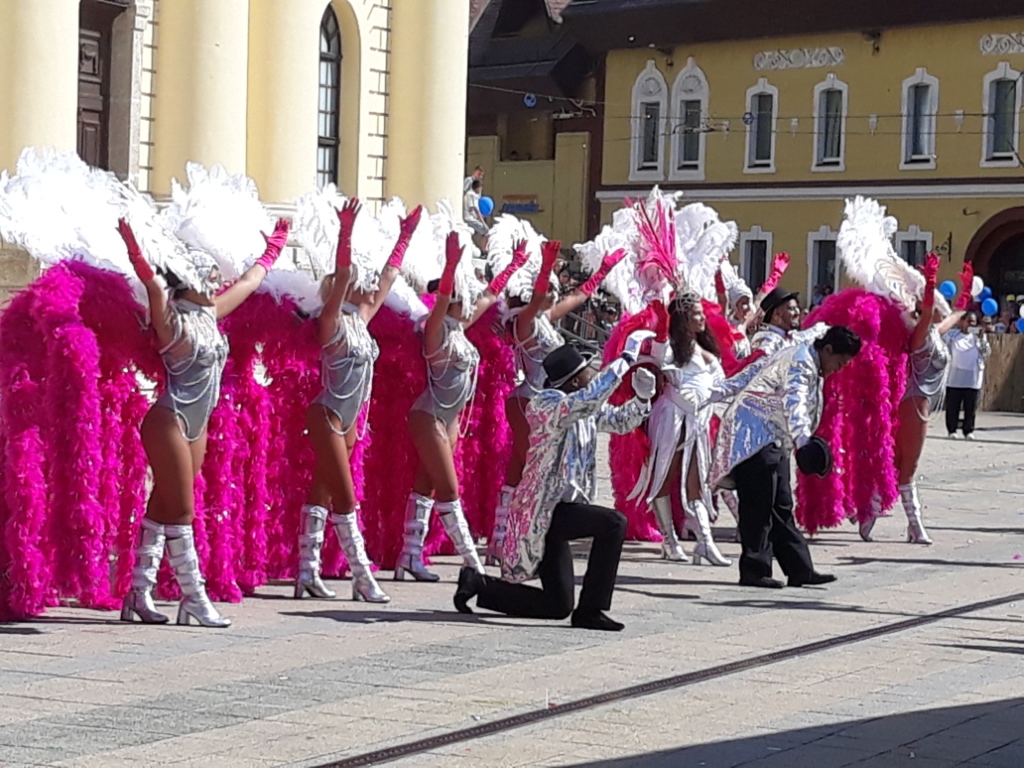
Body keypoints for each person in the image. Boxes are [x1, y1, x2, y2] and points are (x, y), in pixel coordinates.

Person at [119, 216, 290, 627]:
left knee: (162, 508)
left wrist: (274, 249)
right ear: (186, 277)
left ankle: (137, 594)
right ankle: (194, 596)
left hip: (197, 425)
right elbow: (154, 286)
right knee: (184, 511)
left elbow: (249, 282)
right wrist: (137, 251)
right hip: (169, 420)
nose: (215, 281)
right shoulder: (171, 318)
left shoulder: (210, 313)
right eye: (207, 275)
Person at [452, 332, 657, 630]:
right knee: (614, 523)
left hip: (560, 512)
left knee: (556, 606)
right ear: (575, 380)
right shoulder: (548, 403)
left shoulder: (582, 407)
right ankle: (591, 610)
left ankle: (479, 585)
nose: (594, 372)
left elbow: (620, 421)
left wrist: (642, 399)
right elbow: (590, 398)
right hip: (544, 509)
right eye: (590, 368)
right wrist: (625, 359)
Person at [295, 199, 422, 602]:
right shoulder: (330, 319)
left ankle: (306, 573)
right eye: (355, 277)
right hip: (328, 414)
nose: (366, 282)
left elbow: (388, 277)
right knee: (347, 499)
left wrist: (405, 236)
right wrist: (345, 232)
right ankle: (361, 577)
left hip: (351, 422)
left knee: (323, 493)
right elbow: (347, 272)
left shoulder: (361, 317)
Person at [395, 231, 527, 581]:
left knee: (427, 486)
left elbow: (489, 295)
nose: (469, 300)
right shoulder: (435, 328)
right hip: (430, 416)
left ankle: (409, 556)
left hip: (449, 420)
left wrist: (513, 266)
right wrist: (451, 264)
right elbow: (441, 301)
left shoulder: (458, 328)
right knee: (450, 491)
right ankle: (474, 563)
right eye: (460, 295)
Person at [488, 242, 626, 565]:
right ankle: (512, 540)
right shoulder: (526, 323)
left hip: (544, 403)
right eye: (547, 289)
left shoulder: (543, 320)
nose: (552, 294)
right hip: (531, 402)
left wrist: (602, 273)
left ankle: (501, 540)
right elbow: (538, 299)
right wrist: (547, 263)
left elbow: (575, 299)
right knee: (529, 471)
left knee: (519, 470)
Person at [712, 325, 861, 589]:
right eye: (839, 362)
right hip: (752, 435)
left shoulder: (810, 357)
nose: (838, 369)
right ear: (827, 350)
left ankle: (799, 569)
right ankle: (754, 570)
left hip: (772, 438)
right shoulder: (801, 362)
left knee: (781, 503)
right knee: (758, 504)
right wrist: (803, 443)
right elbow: (796, 402)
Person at [858, 255, 961, 545]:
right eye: (936, 305)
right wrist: (929, 283)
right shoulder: (919, 336)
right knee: (908, 466)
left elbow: (946, 320)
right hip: (914, 404)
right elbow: (929, 313)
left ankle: (871, 511)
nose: (942, 309)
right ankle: (913, 525)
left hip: (918, 403)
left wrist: (963, 301)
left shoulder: (932, 335)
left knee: (899, 462)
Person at [631, 293, 731, 566]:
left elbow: (720, 386)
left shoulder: (705, 348)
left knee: (698, 483)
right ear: (682, 318)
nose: (702, 318)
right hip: (671, 418)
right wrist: (663, 321)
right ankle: (669, 540)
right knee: (665, 475)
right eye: (696, 313)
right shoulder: (670, 347)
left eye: (701, 313)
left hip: (699, 422)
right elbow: (659, 356)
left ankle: (706, 544)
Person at [945, 311, 991, 440]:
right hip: (955, 377)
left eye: (974, 322)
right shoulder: (953, 335)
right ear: (962, 322)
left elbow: (986, 353)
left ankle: (968, 430)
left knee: (970, 407)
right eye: (969, 321)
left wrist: (981, 339)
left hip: (973, 377)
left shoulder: (979, 337)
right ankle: (952, 429)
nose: (971, 324)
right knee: (953, 406)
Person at [751, 286, 801, 356]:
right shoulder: (767, 342)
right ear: (776, 315)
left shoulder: (790, 339)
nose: (797, 312)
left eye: (797, 308)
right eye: (792, 308)